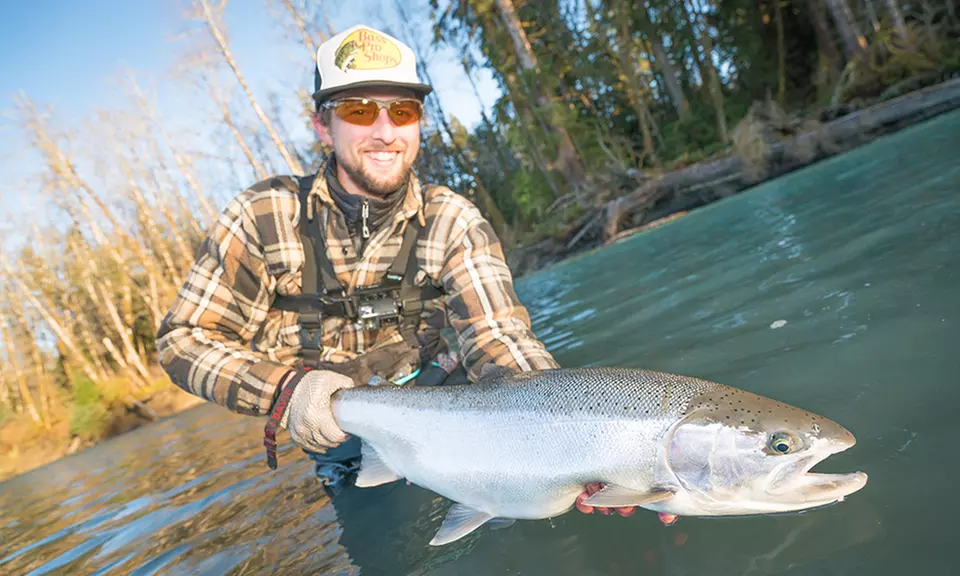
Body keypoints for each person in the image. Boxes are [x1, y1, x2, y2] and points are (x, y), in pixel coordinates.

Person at [155, 24, 634, 544]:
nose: (385, 131)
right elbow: (184, 339)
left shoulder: (453, 218)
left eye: (402, 112)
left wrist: (573, 441)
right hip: (341, 435)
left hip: (452, 408)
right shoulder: (261, 216)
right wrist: (288, 391)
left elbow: (499, 338)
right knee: (387, 555)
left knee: (547, 543)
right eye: (360, 110)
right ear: (322, 125)